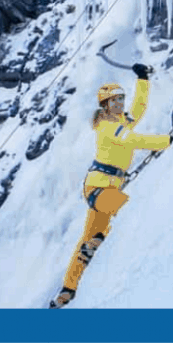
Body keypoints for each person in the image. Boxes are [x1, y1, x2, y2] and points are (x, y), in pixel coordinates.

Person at [50, 63, 172, 308]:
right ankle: (103, 241)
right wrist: (167, 140)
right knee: (129, 213)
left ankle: (68, 289)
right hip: (100, 188)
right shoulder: (107, 128)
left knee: (88, 241)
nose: (119, 105)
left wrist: (142, 79)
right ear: (105, 105)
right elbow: (134, 139)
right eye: (114, 101)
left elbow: (139, 109)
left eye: (120, 100)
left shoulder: (120, 123)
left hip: (107, 189)